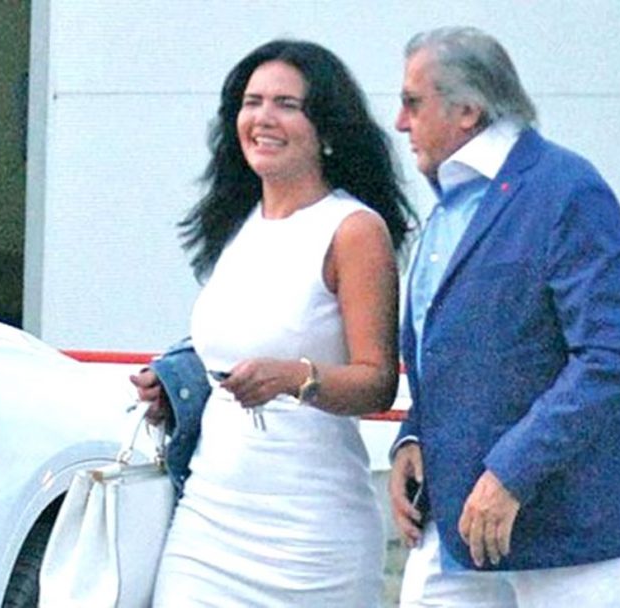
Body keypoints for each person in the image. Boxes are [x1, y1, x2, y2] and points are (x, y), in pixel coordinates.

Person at [387, 27, 620, 607]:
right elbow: (458, 349)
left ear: (467, 111)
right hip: (457, 523)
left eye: (413, 103)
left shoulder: (566, 191)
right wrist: (413, 434)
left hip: (573, 528)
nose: (399, 122)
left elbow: (611, 357)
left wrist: (513, 471)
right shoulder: (450, 204)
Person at [130, 39, 414, 606]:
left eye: (287, 104)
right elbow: (224, 352)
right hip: (207, 521)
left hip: (310, 537)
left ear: (326, 129)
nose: (263, 117)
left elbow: (378, 382)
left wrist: (294, 378)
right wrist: (173, 386)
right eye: (251, 102)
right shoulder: (238, 222)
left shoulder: (354, 230)